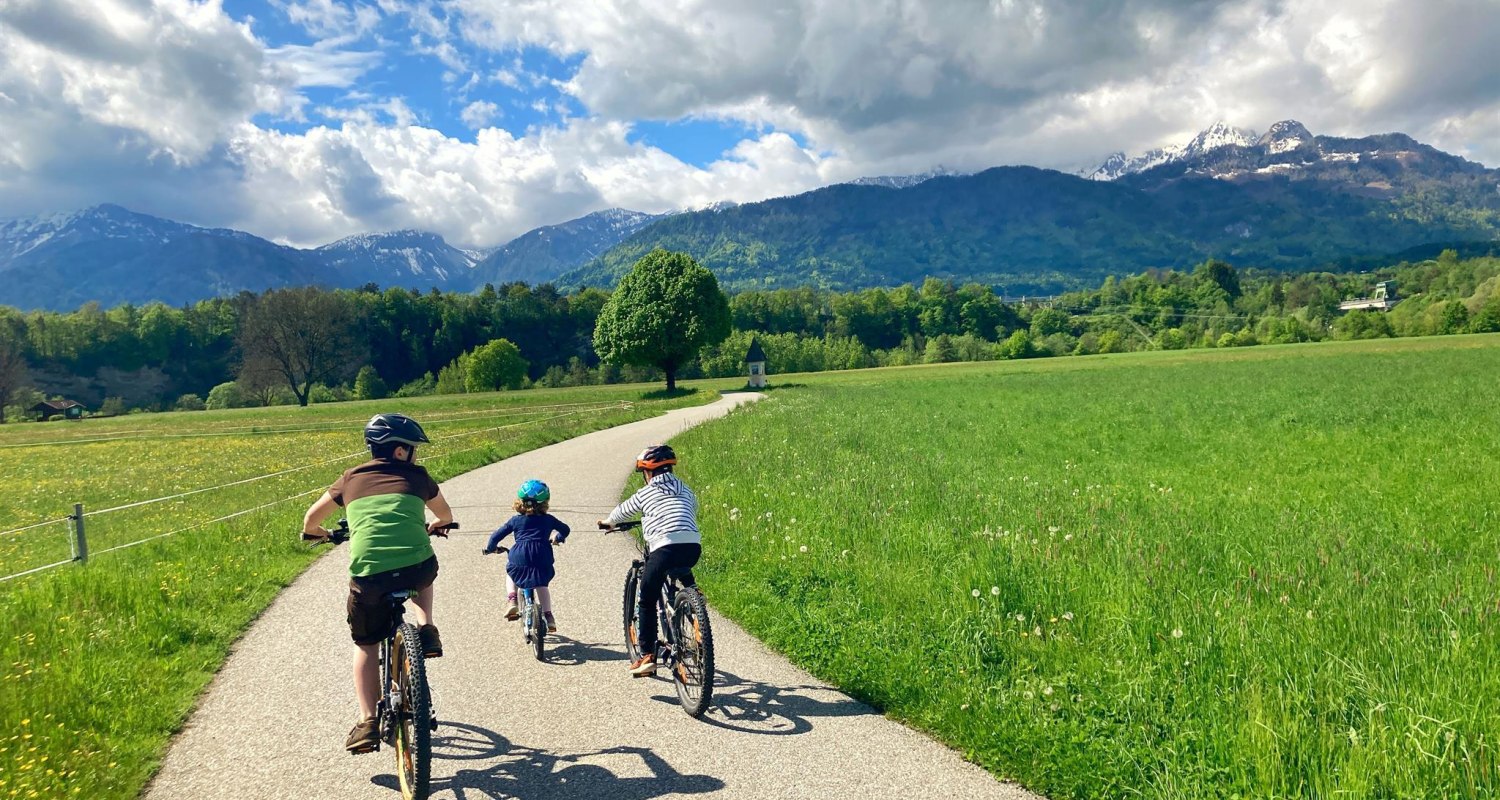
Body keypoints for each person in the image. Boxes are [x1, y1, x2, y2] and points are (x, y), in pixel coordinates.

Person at [301, 413, 454, 754]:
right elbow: (445, 515)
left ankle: (368, 721)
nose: (416, 455)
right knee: (424, 566)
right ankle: (426, 627)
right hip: (415, 570)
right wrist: (436, 525)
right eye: (413, 449)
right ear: (400, 452)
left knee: (366, 643)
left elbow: (311, 520)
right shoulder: (419, 476)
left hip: (370, 578)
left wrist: (322, 534)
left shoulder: (351, 478)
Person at [598, 444, 700, 677]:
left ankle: (647, 655)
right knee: (680, 563)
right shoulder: (684, 487)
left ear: (648, 472)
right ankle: (693, 592)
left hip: (663, 549)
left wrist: (609, 522)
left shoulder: (646, 492)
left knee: (646, 598)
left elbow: (625, 510)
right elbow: (693, 506)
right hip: (692, 546)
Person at [483, 479, 570, 631]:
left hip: (520, 555)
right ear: (545, 503)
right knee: (541, 583)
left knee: (511, 572)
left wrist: (491, 548)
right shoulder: (549, 519)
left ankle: (512, 600)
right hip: (542, 555)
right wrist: (558, 538)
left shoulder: (515, 520)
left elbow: (496, 536)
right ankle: (549, 616)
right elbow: (565, 529)